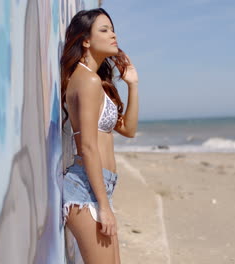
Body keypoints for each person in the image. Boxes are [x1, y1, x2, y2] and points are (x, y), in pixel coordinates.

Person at [60, 8, 139, 264]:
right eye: (104, 30)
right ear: (86, 40)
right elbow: (88, 147)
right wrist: (104, 207)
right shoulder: (87, 81)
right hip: (86, 190)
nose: (113, 35)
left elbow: (128, 129)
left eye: (113, 29)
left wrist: (132, 85)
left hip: (99, 187)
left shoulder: (94, 80)